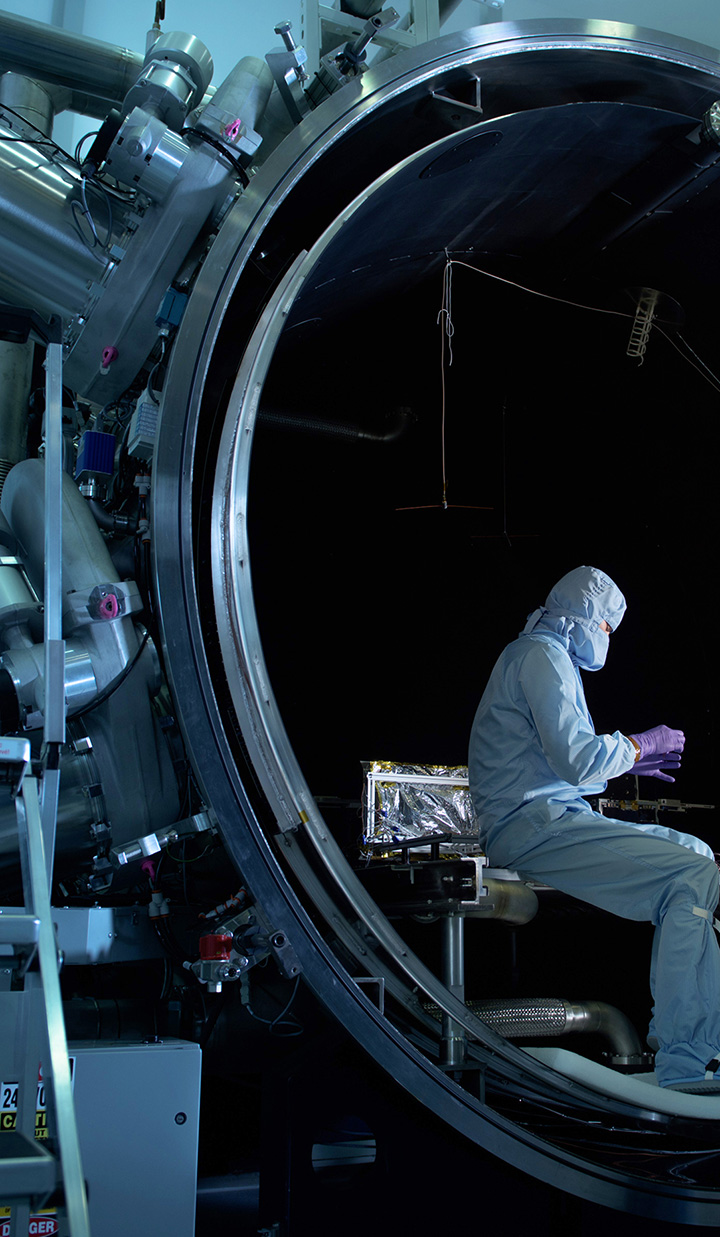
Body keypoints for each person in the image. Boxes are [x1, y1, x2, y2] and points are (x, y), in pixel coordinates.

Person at [468, 565, 720, 1093]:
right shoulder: (541, 656)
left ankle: (702, 1042)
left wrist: (626, 764)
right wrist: (638, 746)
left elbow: (555, 760)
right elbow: (578, 761)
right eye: (606, 627)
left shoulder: (542, 655)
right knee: (692, 877)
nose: (606, 639)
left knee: (701, 855)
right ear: (585, 615)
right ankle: (686, 1063)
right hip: (532, 826)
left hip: (550, 816)